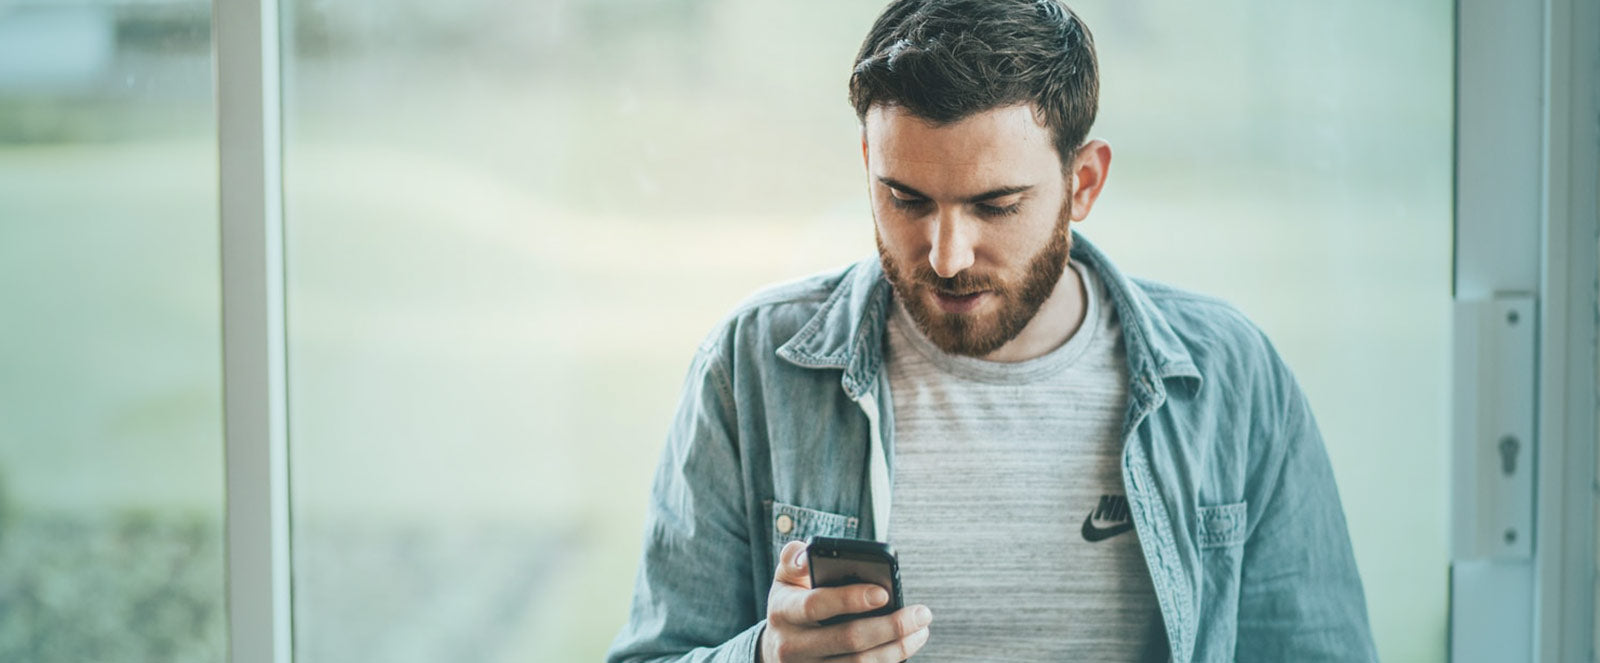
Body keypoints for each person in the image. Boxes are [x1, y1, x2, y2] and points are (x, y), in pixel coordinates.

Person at [606, 1, 1377, 661]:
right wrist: (765, 654)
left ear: (1084, 183)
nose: (945, 255)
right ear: (868, 163)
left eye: (994, 205)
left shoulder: (1234, 380)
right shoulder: (750, 369)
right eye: (905, 199)